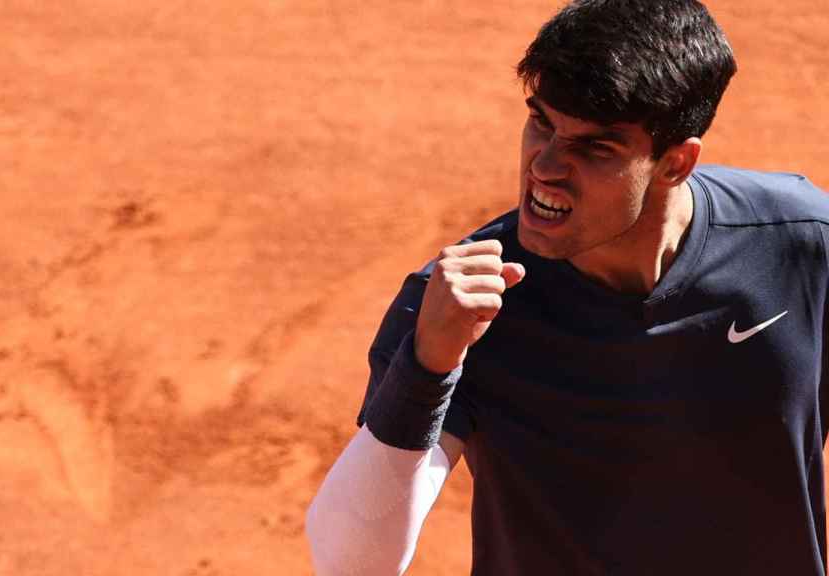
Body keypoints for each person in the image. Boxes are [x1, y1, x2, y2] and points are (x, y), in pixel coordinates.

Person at [305, 0, 829, 574]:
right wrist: (429, 364)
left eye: (593, 147)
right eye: (541, 122)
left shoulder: (801, 246)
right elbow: (351, 564)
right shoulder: (458, 306)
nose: (545, 166)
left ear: (675, 164)